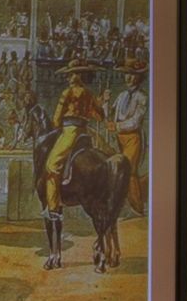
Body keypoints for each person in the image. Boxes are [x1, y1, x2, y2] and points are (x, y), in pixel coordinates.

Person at [44, 60, 105, 217]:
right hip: (85, 131)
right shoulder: (89, 94)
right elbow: (99, 116)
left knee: (52, 165)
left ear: (78, 75)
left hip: (70, 131)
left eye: (71, 74)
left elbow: (57, 119)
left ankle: (52, 207)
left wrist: (57, 125)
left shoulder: (67, 93)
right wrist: (100, 102)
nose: (68, 77)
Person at [110, 59, 149, 214]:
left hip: (133, 139)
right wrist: (105, 103)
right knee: (115, 170)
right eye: (127, 74)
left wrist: (117, 126)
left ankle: (138, 207)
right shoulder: (121, 96)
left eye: (133, 75)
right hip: (118, 138)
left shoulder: (142, 97)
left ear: (139, 77)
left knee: (129, 171)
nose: (129, 78)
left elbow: (135, 121)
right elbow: (112, 113)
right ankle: (121, 206)